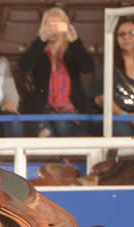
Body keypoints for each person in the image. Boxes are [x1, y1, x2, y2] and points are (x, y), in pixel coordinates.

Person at [18, 8, 95, 138]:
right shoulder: (39, 50)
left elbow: (88, 67)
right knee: (45, 133)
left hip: (71, 111)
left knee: (61, 124)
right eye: (49, 25)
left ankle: (67, 157)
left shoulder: (72, 50)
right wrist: (41, 40)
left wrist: (75, 42)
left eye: (57, 25)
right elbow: (24, 66)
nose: (53, 30)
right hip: (44, 111)